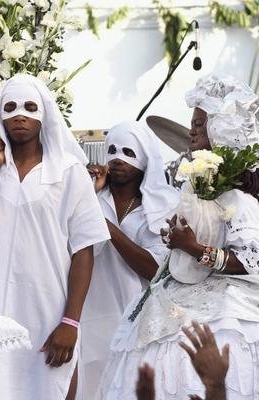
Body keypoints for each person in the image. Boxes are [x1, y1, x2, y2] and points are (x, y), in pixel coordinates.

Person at [100, 74, 259, 400]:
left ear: (220, 130)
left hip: (228, 301)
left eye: (199, 125)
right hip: (180, 289)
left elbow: (249, 259)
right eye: (193, 125)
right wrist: (177, 239)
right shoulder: (195, 190)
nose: (192, 132)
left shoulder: (239, 200)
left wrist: (194, 248)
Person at [0, 74, 109, 399]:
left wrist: (71, 322)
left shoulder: (69, 171)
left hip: (50, 312)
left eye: (29, 107)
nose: (19, 115)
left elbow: (84, 251)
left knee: (51, 388)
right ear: (0, 115)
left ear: (43, 115)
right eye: (10, 107)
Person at [81, 121, 178, 399]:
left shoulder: (165, 204)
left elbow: (156, 269)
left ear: (145, 158)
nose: (118, 158)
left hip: (140, 315)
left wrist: (109, 229)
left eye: (128, 151)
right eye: (112, 150)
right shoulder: (93, 196)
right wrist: (91, 194)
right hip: (93, 311)